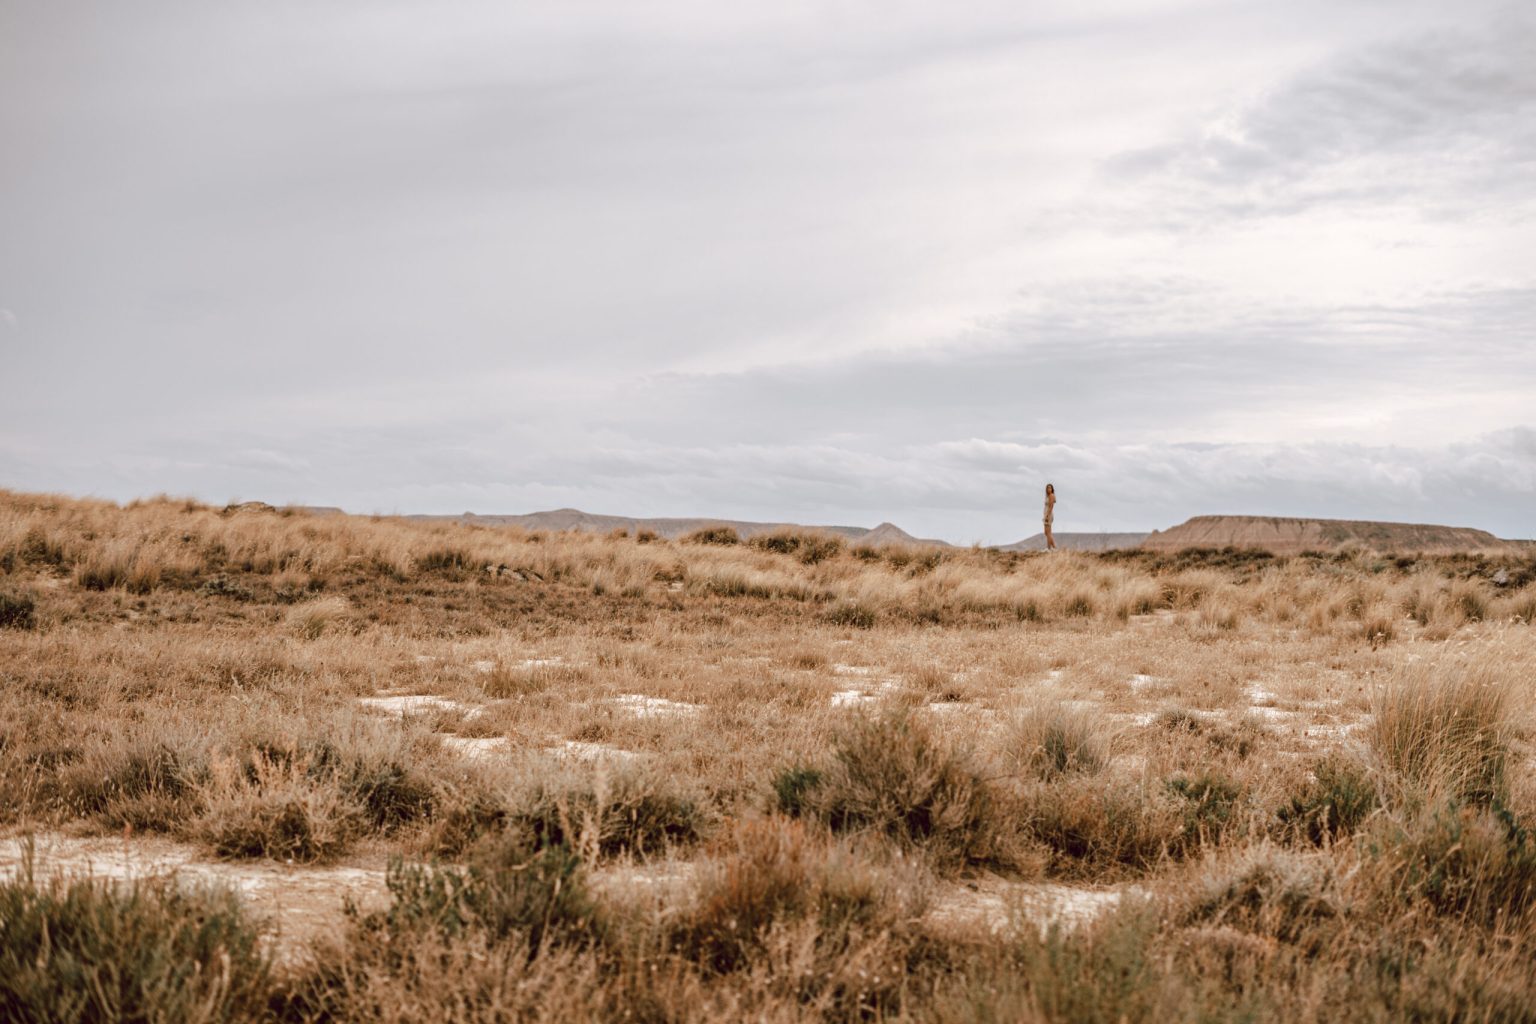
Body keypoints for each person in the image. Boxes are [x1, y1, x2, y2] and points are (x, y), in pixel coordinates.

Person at [1043, 483, 1056, 550]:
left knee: (1048, 532)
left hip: (1049, 515)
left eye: (1050, 488)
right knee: (1046, 532)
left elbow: (1051, 507)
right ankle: (1053, 547)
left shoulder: (1051, 495)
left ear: (1052, 489)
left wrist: (1047, 516)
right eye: (1047, 488)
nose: (1049, 489)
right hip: (1046, 514)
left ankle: (1049, 548)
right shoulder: (1048, 496)